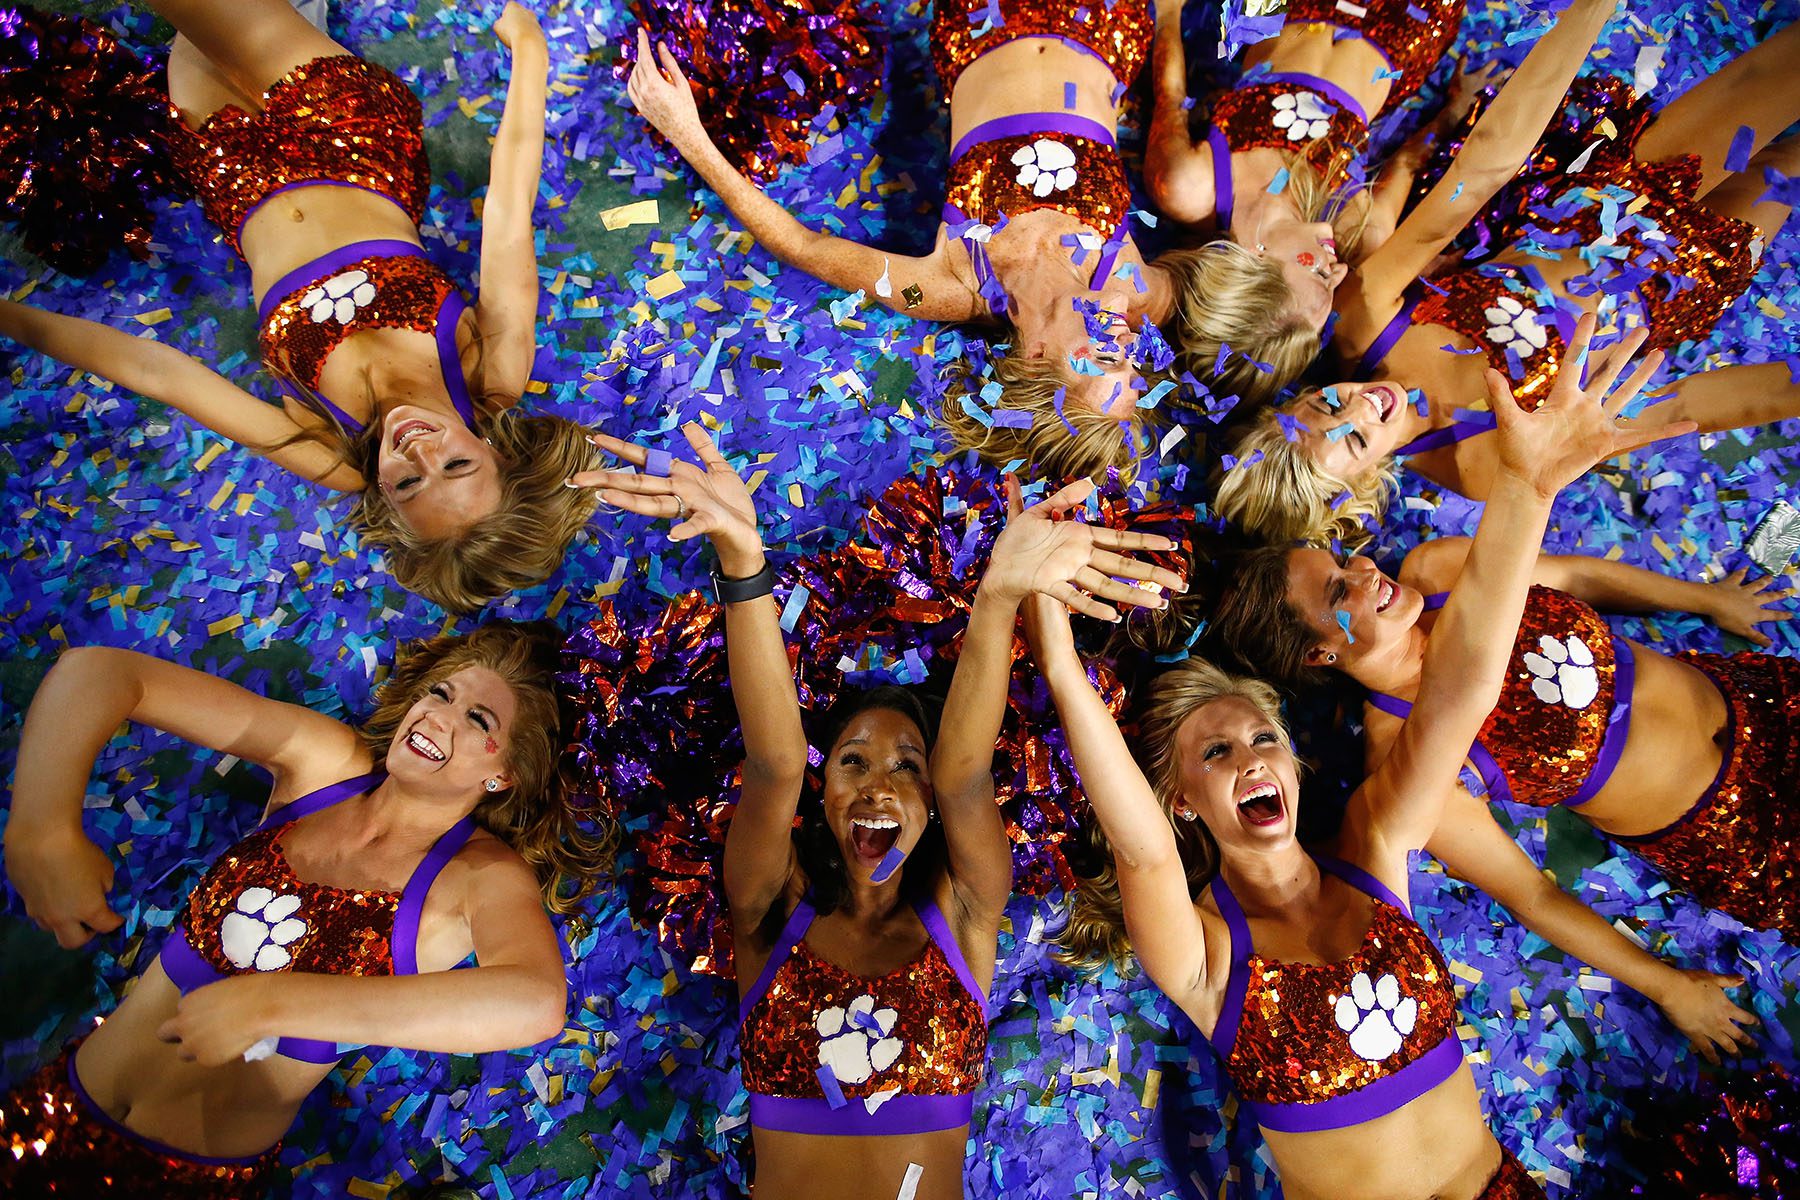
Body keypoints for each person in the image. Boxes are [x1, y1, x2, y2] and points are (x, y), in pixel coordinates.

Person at [1028, 315, 1687, 1199]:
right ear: (1180, 800)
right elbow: (1141, 848)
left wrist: (1527, 490)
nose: (1252, 760)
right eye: (1216, 753)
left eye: (1263, 739)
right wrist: (1058, 653)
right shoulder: (1204, 957)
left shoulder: (1377, 852)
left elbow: (1459, 696)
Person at [578, 424, 1179, 1198]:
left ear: (930, 807)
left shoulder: (964, 910)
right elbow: (775, 760)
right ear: (822, 798)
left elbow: (965, 773)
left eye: (906, 767)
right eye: (853, 762)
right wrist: (741, 560)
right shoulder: (768, 907)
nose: (878, 786)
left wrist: (998, 597)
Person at [0, 0, 598, 611]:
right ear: (497, 454)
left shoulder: (333, 453)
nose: (419, 451)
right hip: (347, 134)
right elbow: (506, 211)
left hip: (231, 171)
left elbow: (159, 374)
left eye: (410, 483)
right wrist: (530, 49)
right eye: (456, 466)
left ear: (387, 503)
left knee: (194, 37)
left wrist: (6, 316)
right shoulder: (489, 373)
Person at [0, 621, 611, 1194]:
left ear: (505, 772)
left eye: (477, 718)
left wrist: (273, 1003)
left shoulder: (476, 877)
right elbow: (101, 671)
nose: (434, 715)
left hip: (182, 1177)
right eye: (439, 693)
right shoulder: (324, 768)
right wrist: (42, 826)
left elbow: (533, 1004)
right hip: (55, 1105)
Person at [1211, 18, 1800, 544]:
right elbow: (1660, 407)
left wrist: (1582, 16)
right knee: (1789, 164)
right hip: (1688, 276)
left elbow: (1479, 173)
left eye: (1328, 402)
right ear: (1359, 492)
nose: (1362, 407)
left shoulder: (1364, 322)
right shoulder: (1478, 470)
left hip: (1619, 197)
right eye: (1358, 441)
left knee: (1781, 74)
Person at [625, 3, 1183, 481]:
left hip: (980, 21)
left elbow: (804, 246)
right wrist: (1174, 17)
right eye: (1133, 361)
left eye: (1106, 357)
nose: (1128, 343)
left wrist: (688, 135)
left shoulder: (944, 287)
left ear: (1036, 358)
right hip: (1103, 19)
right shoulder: (1127, 278)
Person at [1145, 0, 1469, 396]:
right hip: (1405, 26)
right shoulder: (1357, 226)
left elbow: (1172, 97)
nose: (1340, 272)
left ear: (1256, 259)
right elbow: (1408, 162)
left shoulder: (1191, 187)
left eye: (1319, 276)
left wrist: (1169, 14)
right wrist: (1454, 110)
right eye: (1334, 288)